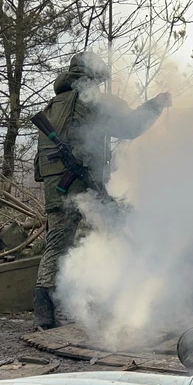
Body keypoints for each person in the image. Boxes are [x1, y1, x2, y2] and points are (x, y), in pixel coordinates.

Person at [32, 51, 172, 330]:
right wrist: (157, 103)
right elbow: (131, 126)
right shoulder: (92, 100)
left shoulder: (53, 105)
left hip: (57, 185)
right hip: (81, 182)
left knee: (58, 244)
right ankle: (125, 300)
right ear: (93, 75)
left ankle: (46, 314)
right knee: (115, 234)